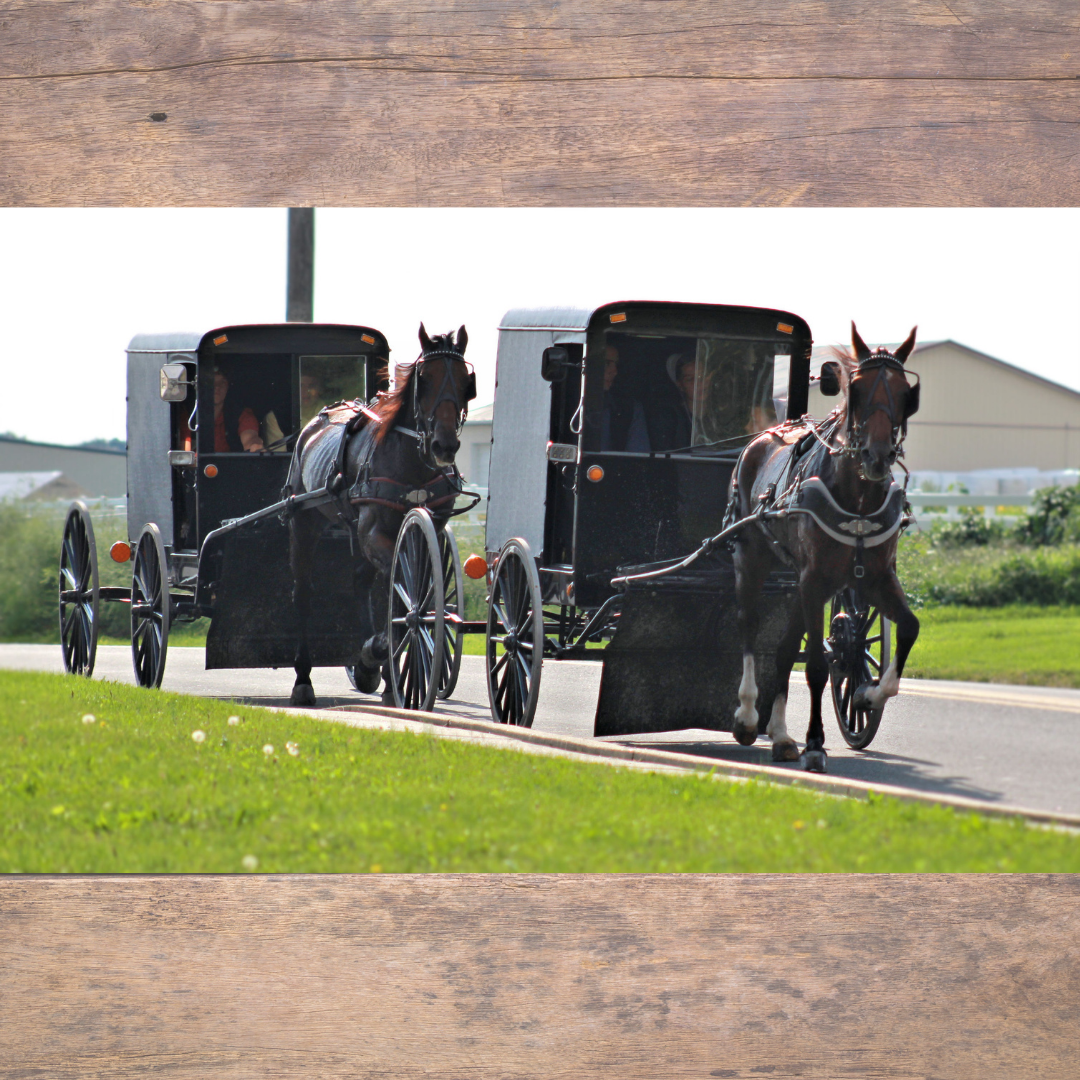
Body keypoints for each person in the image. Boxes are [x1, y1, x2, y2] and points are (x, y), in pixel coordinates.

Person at [598, 344, 650, 452]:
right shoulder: (568, 403)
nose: (614, 371)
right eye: (606, 363)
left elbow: (637, 457)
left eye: (616, 364)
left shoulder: (630, 408)